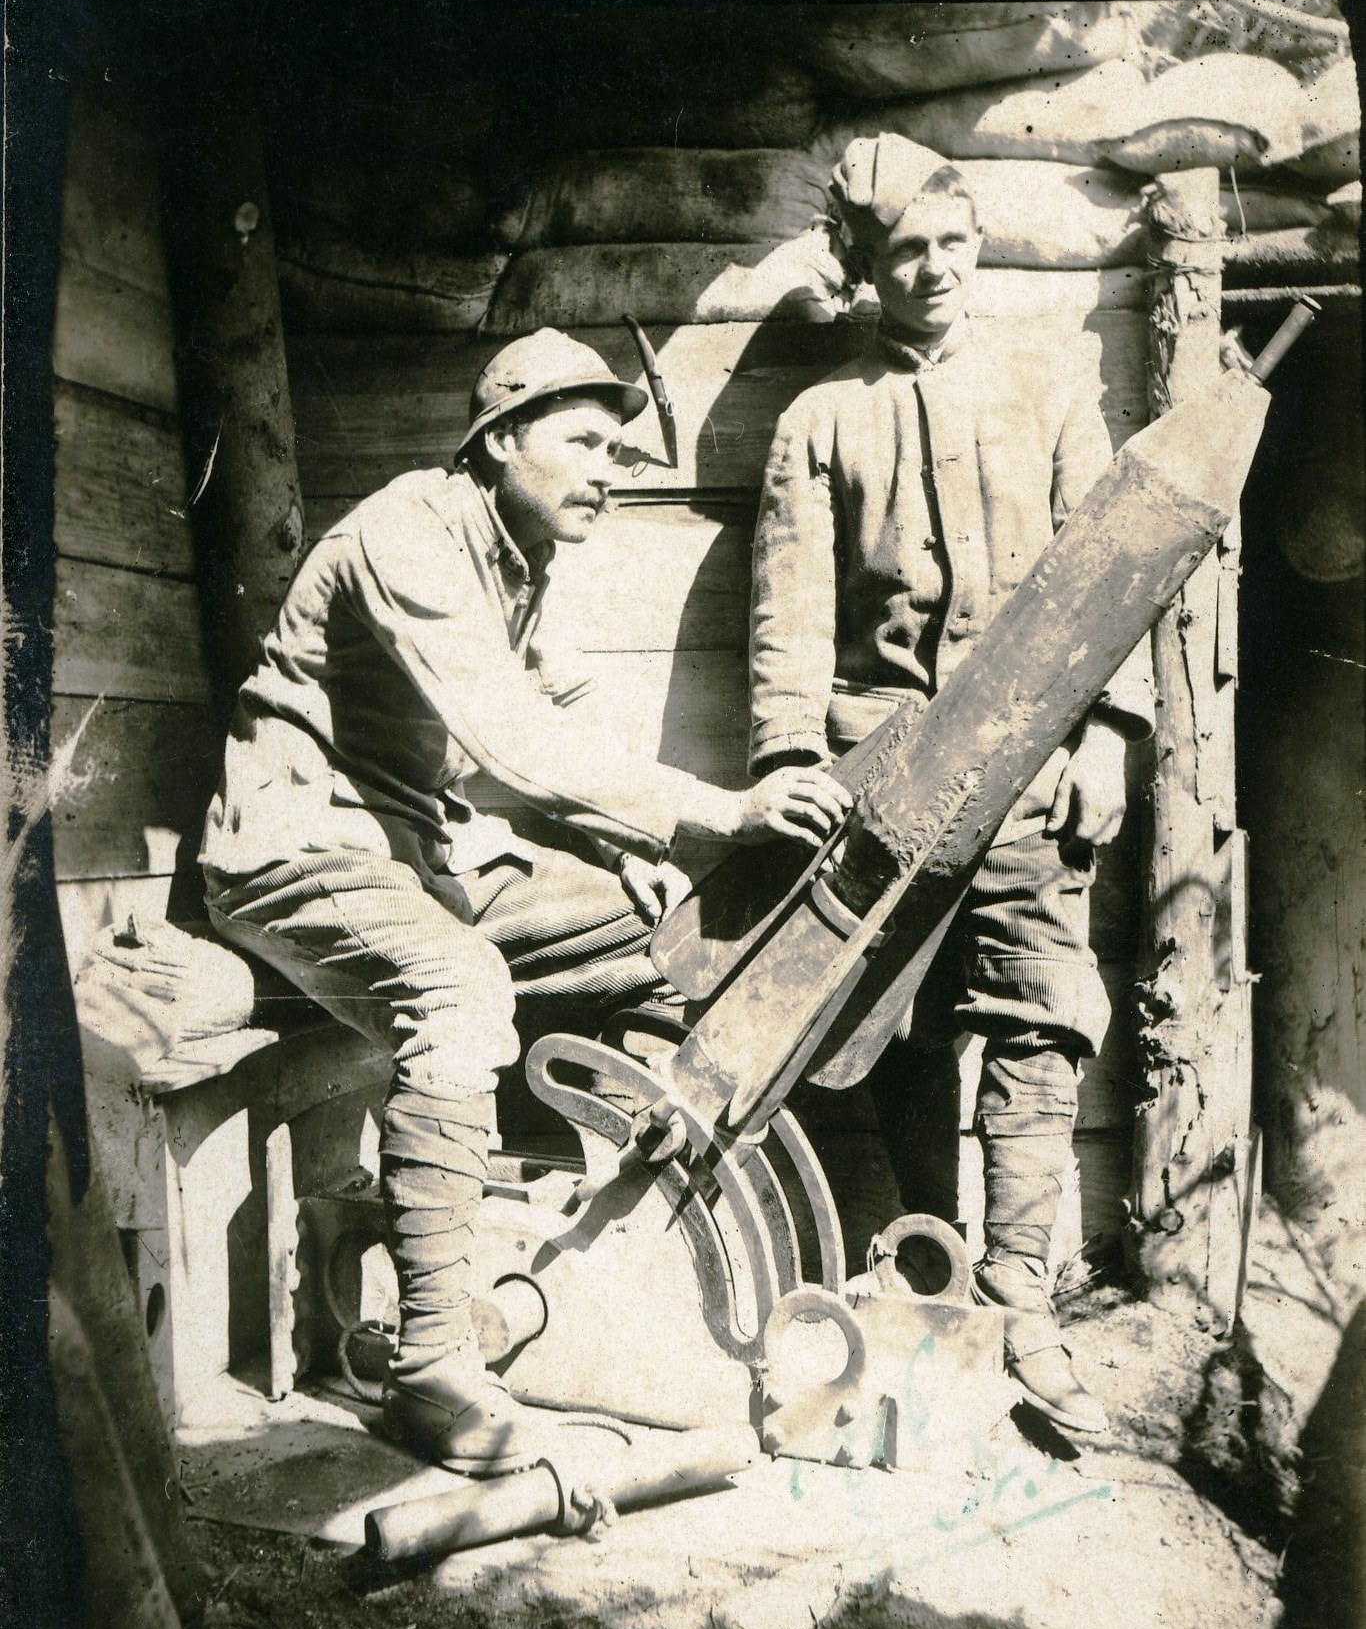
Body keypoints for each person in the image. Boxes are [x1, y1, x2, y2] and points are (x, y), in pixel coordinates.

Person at [202, 328, 849, 1472]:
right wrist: (714, 812)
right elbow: (511, 734)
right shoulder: (408, 531)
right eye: (586, 444)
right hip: (294, 848)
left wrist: (629, 843)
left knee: (664, 939)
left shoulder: (515, 552)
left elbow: (566, 708)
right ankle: (432, 1368)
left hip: (413, 853)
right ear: (500, 438)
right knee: (458, 988)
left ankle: (642, 1233)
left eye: (621, 451)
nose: (609, 469)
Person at [748, 135, 1155, 1436]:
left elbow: (1112, 567)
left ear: (976, 246)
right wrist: (787, 768)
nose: (931, 271)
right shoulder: (820, 421)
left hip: (1035, 756)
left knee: (1039, 1015)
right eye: (903, 251)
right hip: (886, 775)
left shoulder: (1046, 387)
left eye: (950, 243)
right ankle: (927, 1269)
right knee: (902, 1028)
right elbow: (788, 624)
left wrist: (1108, 735)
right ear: (865, 268)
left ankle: (1025, 1302)